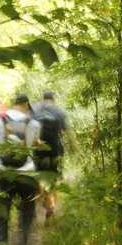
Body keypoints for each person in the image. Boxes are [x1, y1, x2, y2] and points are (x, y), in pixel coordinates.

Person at [0, 94, 41, 245]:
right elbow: (34, 151)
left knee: (0, 219)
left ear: (11, 105)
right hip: (27, 175)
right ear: (25, 105)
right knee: (27, 213)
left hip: (3, 175)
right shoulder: (34, 123)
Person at [31, 90, 72, 221]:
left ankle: (40, 193)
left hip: (38, 148)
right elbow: (66, 132)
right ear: (52, 100)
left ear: (43, 99)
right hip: (54, 149)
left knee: (38, 173)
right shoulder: (59, 112)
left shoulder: (35, 109)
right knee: (53, 175)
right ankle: (50, 204)